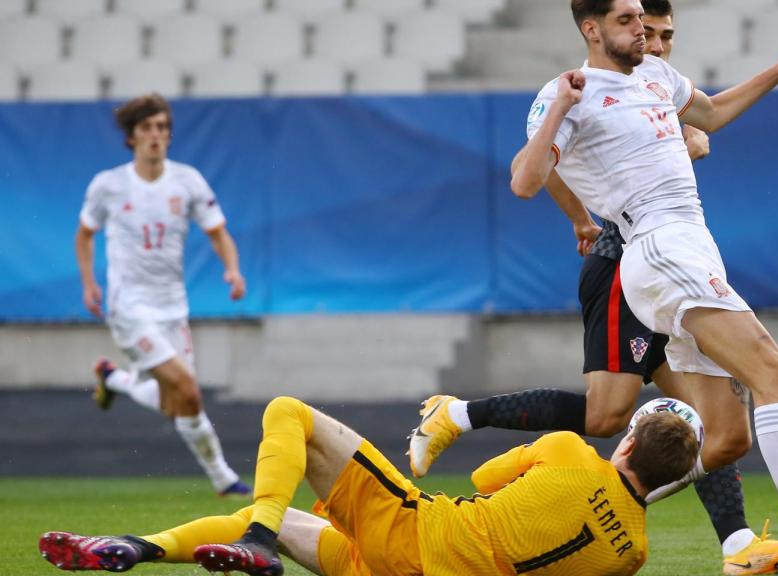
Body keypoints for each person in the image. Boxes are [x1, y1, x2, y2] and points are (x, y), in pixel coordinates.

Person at [503, 0, 778, 574]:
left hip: (689, 243)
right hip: (659, 247)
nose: (642, 29)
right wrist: (562, 103)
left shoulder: (656, 75)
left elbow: (710, 114)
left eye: (642, 17)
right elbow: (525, 180)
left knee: (727, 437)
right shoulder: (570, 92)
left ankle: (578, 513)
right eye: (626, 20)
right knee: (774, 374)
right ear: (591, 29)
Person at [408, 2, 778, 574]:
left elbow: (690, 132)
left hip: (671, 271)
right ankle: (459, 414)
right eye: (643, 28)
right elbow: (538, 172)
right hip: (626, 270)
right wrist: (580, 220)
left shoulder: (656, 87)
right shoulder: (579, 92)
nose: (656, 41)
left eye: (664, 33)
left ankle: (737, 546)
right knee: (607, 417)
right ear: (597, 30)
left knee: (713, 424)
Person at [39, 395, 700, 576]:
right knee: (298, 526)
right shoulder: (632, 555)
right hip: (405, 570)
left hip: (415, 532)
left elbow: (481, 476)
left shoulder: (568, 450)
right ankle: (137, 546)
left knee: (288, 415)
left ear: (630, 441)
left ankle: (263, 539)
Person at [74, 93, 250, 497]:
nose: (156, 135)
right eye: (147, 128)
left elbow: (218, 232)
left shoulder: (187, 181)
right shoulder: (109, 185)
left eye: (162, 128)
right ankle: (225, 480)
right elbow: (84, 235)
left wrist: (233, 269)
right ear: (132, 137)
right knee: (188, 388)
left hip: (172, 306)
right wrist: (89, 283)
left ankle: (114, 378)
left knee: (178, 405)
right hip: (128, 306)